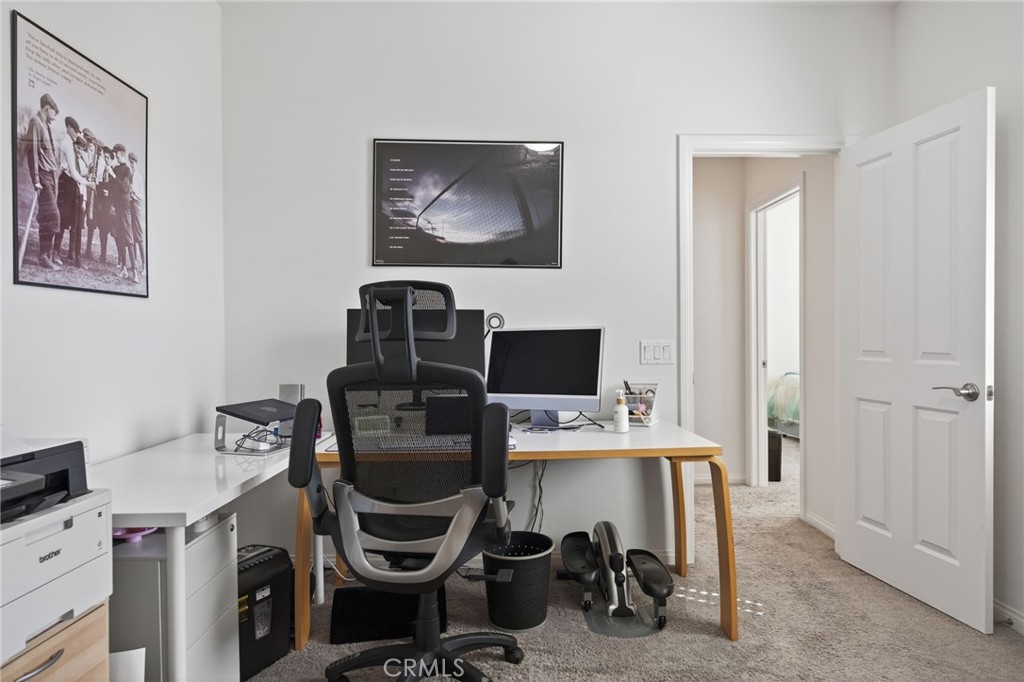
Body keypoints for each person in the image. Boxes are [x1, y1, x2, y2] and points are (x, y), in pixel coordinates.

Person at [25, 93, 61, 270]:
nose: (54, 118)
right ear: (47, 108)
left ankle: (45, 256)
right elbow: (32, 153)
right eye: (54, 113)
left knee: (47, 216)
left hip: (51, 177)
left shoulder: (45, 125)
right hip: (44, 178)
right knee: (53, 216)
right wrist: (36, 180)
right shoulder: (36, 123)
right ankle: (44, 255)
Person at [56, 116, 95, 268]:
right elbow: (73, 172)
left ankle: (76, 257)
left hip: (77, 189)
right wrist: (88, 182)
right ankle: (56, 252)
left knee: (77, 224)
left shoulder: (73, 145)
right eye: (76, 131)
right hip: (68, 184)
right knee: (63, 220)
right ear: (69, 128)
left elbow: (79, 172)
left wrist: (84, 195)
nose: (76, 135)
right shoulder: (67, 144)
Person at [109, 144, 138, 282]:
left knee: (128, 237)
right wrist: (112, 204)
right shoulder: (115, 168)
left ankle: (135, 272)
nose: (116, 155)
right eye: (115, 154)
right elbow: (114, 189)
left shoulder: (127, 169)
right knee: (120, 237)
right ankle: (123, 269)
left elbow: (124, 187)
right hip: (117, 206)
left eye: (118, 153)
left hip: (125, 206)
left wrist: (113, 175)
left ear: (123, 153)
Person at [127, 151, 145, 275]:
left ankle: (144, 264)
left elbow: (142, 196)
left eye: (133, 163)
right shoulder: (129, 174)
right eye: (130, 162)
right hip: (129, 205)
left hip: (136, 205)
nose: (131, 164)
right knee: (131, 235)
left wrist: (134, 192)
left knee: (138, 237)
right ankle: (135, 262)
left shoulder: (138, 177)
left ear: (136, 163)